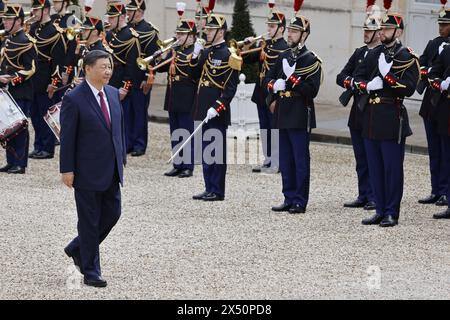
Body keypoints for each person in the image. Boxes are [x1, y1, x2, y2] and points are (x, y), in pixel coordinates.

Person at [60, 50, 126, 288]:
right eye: (102, 67)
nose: (108, 71)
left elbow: (118, 128)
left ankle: (78, 248)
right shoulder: (74, 98)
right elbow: (68, 137)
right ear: (88, 69)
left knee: (113, 213)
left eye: (109, 66)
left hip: (111, 169)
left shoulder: (112, 93)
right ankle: (91, 271)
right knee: (89, 221)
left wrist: (121, 157)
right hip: (86, 169)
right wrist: (67, 169)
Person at [356, 1, 419, 227]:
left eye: (387, 29)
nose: (382, 32)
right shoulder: (373, 55)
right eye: (381, 29)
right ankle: (380, 209)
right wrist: (366, 86)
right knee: (375, 168)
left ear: (398, 31)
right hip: (371, 118)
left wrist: (388, 77)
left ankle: (392, 211)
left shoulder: (407, 57)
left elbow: (410, 88)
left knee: (392, 169)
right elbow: (358, 77)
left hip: (392, 118)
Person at [265, 1, 323, 214]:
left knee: (300, 159)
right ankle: (288, 196)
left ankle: (300, 199)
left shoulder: (312, 60)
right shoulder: (284, 56)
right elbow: (268, 79)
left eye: (294, 31)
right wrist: (274, 87)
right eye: (289, 30)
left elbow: (312, 90)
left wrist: (292, 80)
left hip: (300, 112)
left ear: (304, 35)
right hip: (283, 111)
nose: (289, 34)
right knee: (286, 159)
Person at [190, 13, 240, 202]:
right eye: (207, 29)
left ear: (221, 31)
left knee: (216, 150)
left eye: (211, 30)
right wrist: (195, 55)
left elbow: (230, 88)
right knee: (205, 149)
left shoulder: (229, 55)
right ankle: (208, 186)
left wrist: (217, 106)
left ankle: (217, 190)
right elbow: (194, 75)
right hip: (202, 107)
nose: (207, 32)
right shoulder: (207, 52)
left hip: (216, 110)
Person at [336, 1, 381, 211]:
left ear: (379, 33)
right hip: (357, 109)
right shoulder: (359, 52)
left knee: (373, 158)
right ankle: (363, 193)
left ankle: (374, 196)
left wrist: (361, 83)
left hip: (372, 110)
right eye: (364, 29)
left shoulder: (382, 54)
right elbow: (341, 75)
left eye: (370, 30)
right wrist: (354, 83)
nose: (365, 33)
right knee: (360, 157)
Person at [242, 2, 289, 174]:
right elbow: (247, 59)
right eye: (268, 25)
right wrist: (248, 45)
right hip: (261, 92)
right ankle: (268, 158)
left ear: (281, 28)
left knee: (275, 128)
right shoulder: (265, 45)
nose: (269, 29)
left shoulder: (285, 48)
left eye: (272, 26)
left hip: (274, 94)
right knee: (264, 128)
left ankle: (277, 161)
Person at [417, 2, 450, 207]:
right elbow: (422, 61)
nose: (441, 27)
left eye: (445, 24)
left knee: (446, 151)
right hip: (430, 102)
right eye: (440, 23)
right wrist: (428, 72)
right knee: (434, 150)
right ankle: (436, 189)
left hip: (445, 104)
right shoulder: (433, 43)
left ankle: (446, 191)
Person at [158, 15, 197, 178]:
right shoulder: (175, 51)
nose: (178, 37)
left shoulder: (195, 52)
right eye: (178, 34)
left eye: (182, 34)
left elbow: (195, 73)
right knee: (175, 132)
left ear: (191, 36)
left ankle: (187, 165)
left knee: (186, 132)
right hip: (173, 96)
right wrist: (159, 56)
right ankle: (177, 163)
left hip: (187, 97)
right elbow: (161, 69)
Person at [0, 3, 37, 174]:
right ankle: (11, 160)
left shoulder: (27, 41)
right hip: (8, 91)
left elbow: (31, 68)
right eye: (5, 19)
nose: (5, 22)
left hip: (21, 90)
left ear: (19, 21)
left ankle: (20, 163)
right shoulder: (8, 39)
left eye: (8, 19)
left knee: (20, 128)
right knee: (9, 126)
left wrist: (12, 80)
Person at [28, 0, 66, 160]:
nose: (34, 13)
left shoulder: (55, 32)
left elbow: (58, 60)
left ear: (46, 10)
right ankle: (38, 145)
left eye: (37, 10)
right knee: (35, 115)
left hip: (46, 79)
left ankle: (48, 147)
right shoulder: (34, 28)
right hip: (34, 79)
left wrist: (54, 83)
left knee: (46, 114)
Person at [105, 1, 141, 154]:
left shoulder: (131, 37)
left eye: (112, 18)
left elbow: (132, 66)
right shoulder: (111, 34)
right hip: (109, 77)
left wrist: (125, 87)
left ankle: (123, 146)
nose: (109, 21)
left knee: (122, 116)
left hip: (120, 79)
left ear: (121, 17)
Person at [126, 0, 159, 157]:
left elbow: (154, 58)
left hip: (141, 77)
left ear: (139, 11)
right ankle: (128, 142)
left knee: (139, 111)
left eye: (131, 11)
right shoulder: (127, 29)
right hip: (127, 76)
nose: (128, 13)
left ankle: (139, 144)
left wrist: (148, 78)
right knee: (127, 111)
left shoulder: (149, 31)